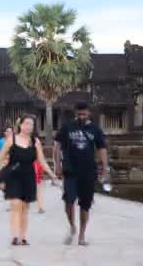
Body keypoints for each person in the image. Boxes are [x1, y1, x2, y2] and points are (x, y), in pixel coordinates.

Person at [54, 102, 110, 246]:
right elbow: (57, 146)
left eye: (84, 114)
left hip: (88, 172)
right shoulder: (67, 127)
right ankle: (72, 226)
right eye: (79, 114)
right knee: (68, 202)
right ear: (75, 113)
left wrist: (105, 167)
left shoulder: (95, 130)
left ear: (89, 113)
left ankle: (82, 235)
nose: (81, 116)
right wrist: (57, 165)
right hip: (70, 170)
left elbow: (102, 148)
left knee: (85, 204)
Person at [0, 115, 57, 245]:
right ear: (20, 125)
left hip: (29, 176)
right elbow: (1, 156)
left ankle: (22, 236)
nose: (29, 126)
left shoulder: (35, 142)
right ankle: (14, 235)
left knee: (25, 207)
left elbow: (41, 160)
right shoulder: (11, 139)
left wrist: (52, 174)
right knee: (15, 205)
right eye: (26, 124)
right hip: (13, 175)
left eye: (31, 124)